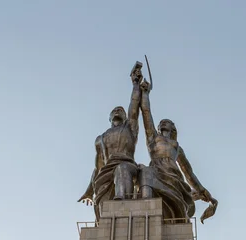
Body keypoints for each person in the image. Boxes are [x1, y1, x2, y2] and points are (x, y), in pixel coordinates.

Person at [138, 80, 218, 223]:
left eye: (166, 122)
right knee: (145, 174)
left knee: (179, 211)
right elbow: (146, 113)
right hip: (156, 172)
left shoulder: (177, 147)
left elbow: (188, 173)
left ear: (173, 128)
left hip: (174, 177)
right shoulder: (153, 138)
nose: (162, 123)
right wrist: (145, 93)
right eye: (161, 122)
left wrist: (202, 190)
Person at [78, 62, 143, 220]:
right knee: (103, 211)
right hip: (106, 174)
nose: (117, 111)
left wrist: (136, 84)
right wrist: (89, 191)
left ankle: (122, 202)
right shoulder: (99, 139)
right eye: (114, 110)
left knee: (121, 169)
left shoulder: (129, 129)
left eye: (120, 110)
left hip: (127, 166)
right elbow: (98, 168)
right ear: (109, 117)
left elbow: (134, 106)